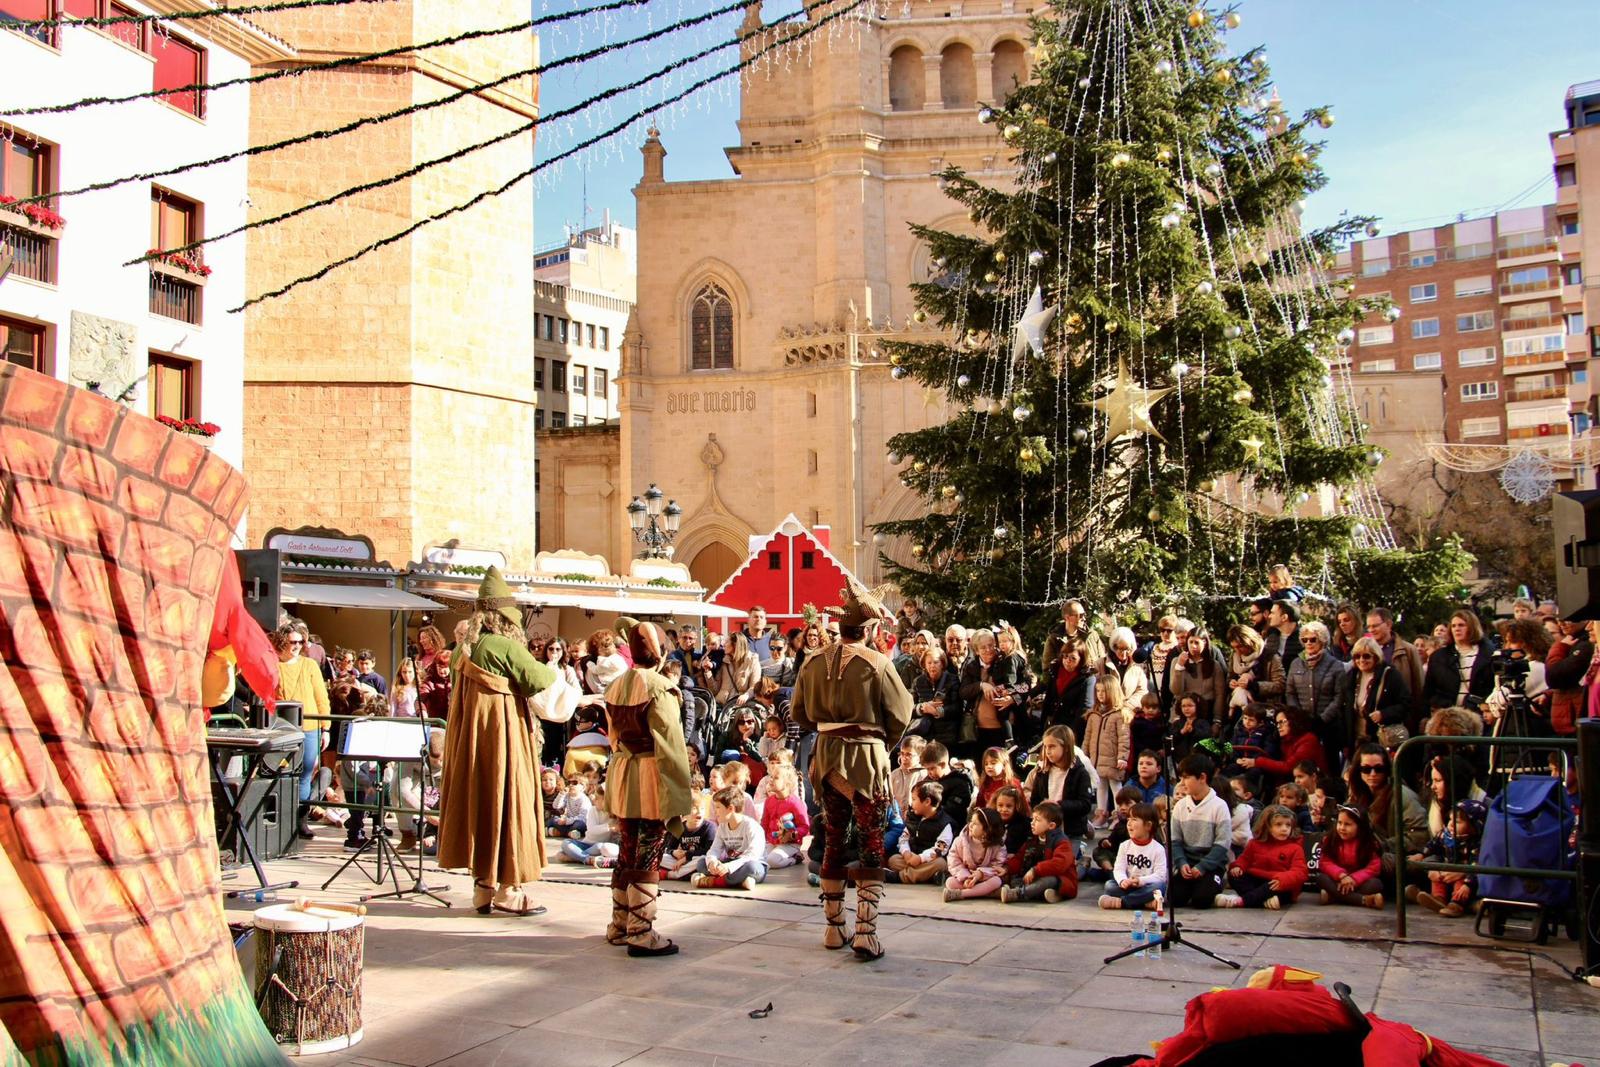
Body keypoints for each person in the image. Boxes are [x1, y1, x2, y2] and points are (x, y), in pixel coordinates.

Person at [438, 567, 577, 917]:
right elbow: (543, 680)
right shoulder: (502, 646)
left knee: (482, 803)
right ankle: (508, 889)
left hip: (470, 742)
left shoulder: (461, 650)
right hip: (502, 737)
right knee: (508, 799)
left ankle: (482, 888)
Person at [787, 577, 913, 960]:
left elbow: (798, 714)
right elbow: (901, 713)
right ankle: (865, 932)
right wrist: (879, 742)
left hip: (826, 758)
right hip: (865, 758)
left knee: (833, 836)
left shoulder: (811, 662)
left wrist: (830, 730)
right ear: (869, 628)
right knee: (871, 839)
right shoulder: (878, 664)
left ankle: (832, 927)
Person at [596, 620, 694, 956]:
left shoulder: (615, 685)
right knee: (649, 848)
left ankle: (619, 924)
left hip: (623, 771)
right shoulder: (660, 687)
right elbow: (671, 745)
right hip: (651, 775)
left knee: (627, 847)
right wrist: (681, 792)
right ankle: (640, 929)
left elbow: (612, 737)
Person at [272, 625, 332, 840]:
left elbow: (321, 697)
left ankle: (301, 820)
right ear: (282, 643)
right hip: (282, 728)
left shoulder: (310, 665)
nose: (297, 646)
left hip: (310, 727)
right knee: (281, 773)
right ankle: (281, 821)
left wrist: (326, 727)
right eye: (292, 642)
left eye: (300, 642)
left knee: (306, 774)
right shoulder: (275, 665)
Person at [1347, 742, 1428, 878]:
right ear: (1358, 771)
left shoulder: (1403, 796)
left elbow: (1419, 837)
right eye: (1366, 769)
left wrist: (1382, 846)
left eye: (1379, 769)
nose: (1372, 774)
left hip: (1398, 857)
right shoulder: (1356, 796)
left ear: (1387, 770)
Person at [1166, 753, 1232, 910]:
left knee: (1201, 900)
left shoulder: (1219, 806)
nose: (1182, 783)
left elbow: (1222, 844)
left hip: (1210, 865)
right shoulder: (1181, 806)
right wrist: (1181, 863)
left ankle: (1216, 883)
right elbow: (1175, 840)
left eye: (1186, 778)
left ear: (1202, 777)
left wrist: (1202, 867)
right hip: (1187, 864)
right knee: (1174, 899)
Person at [1222, 804, 1308, 909]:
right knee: (1234, 876)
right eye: (1279, 824)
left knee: (1276, 889)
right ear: (1267, 826)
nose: (1284, 829)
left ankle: (1242, 901)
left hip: (1278, 882)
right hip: (1257, 880)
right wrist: (1238, 866)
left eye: (1288, 825)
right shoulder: (1254, 843)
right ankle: (1261, 900)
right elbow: (1245, 859)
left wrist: (1284, 879)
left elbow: (1300, 871)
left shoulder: (1295, 848)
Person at [1285, 621, 1348, 763]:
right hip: (1302, 725)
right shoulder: (1295, 664)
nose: (1309, 643)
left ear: (1322, 640)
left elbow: (1339, 696)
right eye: (1304, 640)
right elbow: (1290, 693)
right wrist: (1299, 717)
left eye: (1313, 639)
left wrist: (1322, 719)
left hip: (1329, 726)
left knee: (1329, 764)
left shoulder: (1335, 665)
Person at [1411, 799, 1485, 918]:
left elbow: (1476, 866)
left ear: (1473, 826)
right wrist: (1422, 854)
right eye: (1450, 819)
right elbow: (1433, 844)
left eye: (1457, 822)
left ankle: (1456, 904)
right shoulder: (1446, 835)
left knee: (1460, 884)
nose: (1450, 824)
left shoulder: (1476, 844)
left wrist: (1468, 885)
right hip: (1447, 869)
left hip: (1464, 876)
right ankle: (1438, 899)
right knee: (1436, 877)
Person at [1021, 725, 1093, 839]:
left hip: (1070, 830)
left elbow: (1085, 804)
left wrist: (1059, 805)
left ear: (1066, 747)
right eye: (1045, 747)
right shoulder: (1042, 771)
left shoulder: (1080, 773)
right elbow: (1035, 799)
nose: (1048, 751)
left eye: (1052, 746)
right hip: (1046, 830)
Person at [1340, 636, 1411, 750]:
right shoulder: (1351, 677)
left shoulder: (1390, 675)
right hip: (1356, 739)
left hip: (1381, 739)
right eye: (1357, 656)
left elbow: (1406, 703)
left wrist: (1384, 714)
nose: (1361, 660)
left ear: (1376, 657)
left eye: (1366, 656)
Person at [999, 801, 1078, 903]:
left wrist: (1035, 870)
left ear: (1051, 826)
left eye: (1037, 820)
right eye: (1032, 819)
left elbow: (1059, 864)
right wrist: (1007, 868)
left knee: (1048, 881)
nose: (1032, 823)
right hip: (1036, 877)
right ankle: (1049, 894)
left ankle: (1018, 894)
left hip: (1060, 880)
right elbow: (1019, 857)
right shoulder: (1032, 839)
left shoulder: (1062, 842)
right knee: (1015, 881)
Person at [693, 786, 768, 890]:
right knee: (701, 863)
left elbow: (752, 855)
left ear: (730, 809)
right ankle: (740, 882)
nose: (715, 811)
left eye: (718, 807)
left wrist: (729, 867)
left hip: (750, 864)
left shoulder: (752, 826)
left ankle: (716, 881)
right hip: (730, 864)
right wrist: (712, 862)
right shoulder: (722, 826)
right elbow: (714, 849)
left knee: (752, 868)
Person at [960, 629, 1021, 756]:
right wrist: (981, 685)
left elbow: (1026, 686)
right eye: (983, 647)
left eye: (991, 645)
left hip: (1004, 729)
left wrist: (1013, 698)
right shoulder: (971, 666)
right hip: (978, 729)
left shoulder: (1007, 661)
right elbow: (963, 692)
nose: (988, 650)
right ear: (976, 650)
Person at [1097, 801, 1167, 910]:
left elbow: (1160, 875)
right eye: (1128, 819)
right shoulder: (1125, 845)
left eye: (1134, 819)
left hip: (1146, 886)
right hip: (1129, 886)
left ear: (1148, 825)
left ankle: (1122, 903)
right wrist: (1123, 880)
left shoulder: (1158, 849)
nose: (1129, 823)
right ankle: (1145, 903)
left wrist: (1141, 881)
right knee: (1109, 886)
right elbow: (1118, 869)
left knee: (1159, 886)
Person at [1081, 673, 1130, 827]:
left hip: (1112, 758)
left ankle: (1119, 815)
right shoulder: (1093, 715)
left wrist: (1122, 756)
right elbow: (1087, 737)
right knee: (1100, 785)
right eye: (1098, 691)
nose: (1100, 695)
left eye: (1104, 691)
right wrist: (1084, 755)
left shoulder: (1119, 715)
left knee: (1115, 786)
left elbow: (1124, 738)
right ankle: (1101, 814)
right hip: (1096, 759)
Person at [1423, 610, 1495, 710]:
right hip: (1447, 713)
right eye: (1453, 626)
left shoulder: (1489, 654)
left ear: (1472, 627)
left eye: (1461, 625)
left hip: (1478, 713)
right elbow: (1429, 690)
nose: (1457, 629)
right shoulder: (1438, 657)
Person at [1364, 609, 1426, 726]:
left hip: (1400, 719)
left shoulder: (1408, 650)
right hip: (1372, 722)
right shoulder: (1364, 652)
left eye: (1375, 626)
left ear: (1388, 624)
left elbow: (1419, 686)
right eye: (1369, 627)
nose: (1371, 630)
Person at [1317, 805, 1384, 908]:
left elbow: (1374, 867)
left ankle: (1334, 897)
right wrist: (1342, 875)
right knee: (1322, 878)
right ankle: (1363, 900)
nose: (1342, 828)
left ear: (1360, 826)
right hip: (1338, 880)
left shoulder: (1369, 844)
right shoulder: (1330, 840)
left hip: (1358, 883)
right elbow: (1325, 862)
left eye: (1347, 824)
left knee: (1376, 884)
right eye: (1339, 823)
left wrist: (1353, 879)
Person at [888, 780, 954, 885]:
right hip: (912, 858)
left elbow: (940, 849)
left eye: (914, 799)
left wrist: (920, 858)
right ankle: (929, 876)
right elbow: (903, 838)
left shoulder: (944, 824)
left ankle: (900, 877)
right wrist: (906, 853)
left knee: (940, 864)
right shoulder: (914, 818)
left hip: (929, 860)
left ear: (927, 801)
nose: (911, 803)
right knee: (893, 860)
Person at [1032, 637, 1095, 737]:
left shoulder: (1087, 678)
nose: (1067, 661)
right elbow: (1048, 699)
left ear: (1081, 659)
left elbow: (1085, 708)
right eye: (1065, 656)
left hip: (1070, 729)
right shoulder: (1056, 670)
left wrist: (1073, 733)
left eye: (1073, 658)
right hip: (1052, 725)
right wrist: (1042, 726)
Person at [943, 807, 1008, 902]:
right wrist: (966, 877)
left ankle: (961, 894)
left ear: (987, 829)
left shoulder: (998, 846)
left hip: (985, 878)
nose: (970, 825)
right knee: (950, 882)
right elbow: (954, 861)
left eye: (975, 823)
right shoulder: (960, 841)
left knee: (996, 881)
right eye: (971, 821)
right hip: (965, 878)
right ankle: (987, 893)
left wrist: (980, 874)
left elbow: (997, 866)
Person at [1169, 630, 1228, 727]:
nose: (1193, 646)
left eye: (1197, 642)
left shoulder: (1214, 665)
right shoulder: (1177, 661)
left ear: (1204, 642)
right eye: (1190, 642)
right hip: (1183, 713)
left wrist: (1217, 720)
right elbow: (1176, 691)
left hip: (1206, 712)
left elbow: (1220, 695)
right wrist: (1179, 667)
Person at [910, 646, 964, 752]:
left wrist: (938, 711)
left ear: (942, 664)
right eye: (929, 663)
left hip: (947, 736)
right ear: (924, 665)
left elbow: (958, 707)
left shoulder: (952, 680)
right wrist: (922, 708)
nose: (932, 666)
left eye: (936, 662)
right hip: (924, 735)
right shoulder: (918, 681)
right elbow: (909, 708)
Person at [1545, 619, 1593, 737]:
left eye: (1568, 619)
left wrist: (1559, 647)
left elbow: (1554, 677)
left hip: (1577, 726)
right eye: (1558, 618)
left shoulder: (1586, 644)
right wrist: (1549, 694)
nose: (1561, 623)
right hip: (1571, 722)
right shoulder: (1573, 641)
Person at [1226, 624, 1285, 714]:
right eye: (1234, 647)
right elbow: (1230, 677)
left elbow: (1280, 685)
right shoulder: (1235, 657)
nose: (1238, 651)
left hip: (1265, 708)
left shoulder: (1270, 657)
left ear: (1250, 642)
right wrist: (1231, 682)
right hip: (1240, 707)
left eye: (1240, 646)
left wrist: (1255, 686)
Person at [759, 765, 810, 869]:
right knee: (758, 858)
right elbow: (764, 823)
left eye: (776, 778)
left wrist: (791, 835)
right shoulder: (769, 801)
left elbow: (805, 827)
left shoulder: (796, 803)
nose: (771, 780)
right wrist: (761, 840)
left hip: (790, 844)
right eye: (771, 777)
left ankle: (796, 858)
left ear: (787, 783)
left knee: (772, 861)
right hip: (772, 842)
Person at [920, 741, 974, 828]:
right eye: (927, 769)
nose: (929, 773)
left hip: (950, 828)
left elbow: (953, 811)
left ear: (943, 764)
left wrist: (927, 811)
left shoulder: (960, 783)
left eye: (932, 768)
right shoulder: (927, 781)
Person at [1102, 627, 1149, 720]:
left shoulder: (1137, 666)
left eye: (1127, 649)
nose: (1124, 653)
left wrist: (1127, 707)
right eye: (1120, 649)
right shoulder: (1101, 664)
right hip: (1106, 714)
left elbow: (1142, 691)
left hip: (1128, 715)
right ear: (1114, 647)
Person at [416, 624, 451, 720]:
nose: (421, 641)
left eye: (424, 638)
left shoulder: (442, 654)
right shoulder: (419, 658)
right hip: (428, 700)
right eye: (420, 638)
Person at [889, 736, 926, 817]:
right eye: (902, 753)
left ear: (919, 756)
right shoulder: (894, 774)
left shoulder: (924, 775)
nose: (904, 758)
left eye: (909, 755)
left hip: (914, 819)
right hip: (895, 818)